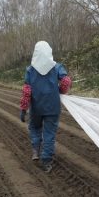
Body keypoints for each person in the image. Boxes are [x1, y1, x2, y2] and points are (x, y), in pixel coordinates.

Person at [19, 41, 72, 173]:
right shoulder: (57, 67)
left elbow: (26, 91)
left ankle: (36, 151)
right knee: (49, 134)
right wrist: (61, 91)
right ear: (49, 52)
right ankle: (47, 161)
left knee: (35, 128)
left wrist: (23, 109)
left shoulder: (30, 70)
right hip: (53, 107)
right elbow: (66, 81)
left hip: (36, 108)